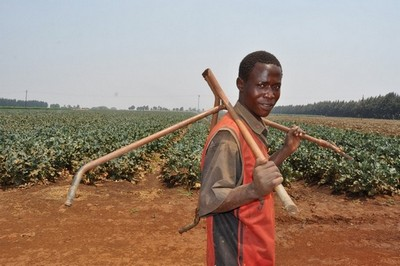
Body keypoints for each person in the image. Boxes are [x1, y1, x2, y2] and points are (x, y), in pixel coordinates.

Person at [198, 50, 303, 266]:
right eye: (262, 85)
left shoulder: (251, 127)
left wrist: (285, 150)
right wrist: (254, 190)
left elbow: (254, 174)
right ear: (241, 84)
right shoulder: (228, 136)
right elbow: (209, 200)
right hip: (236, 255)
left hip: (256, 249)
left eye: (276, 87)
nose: (270, 94)